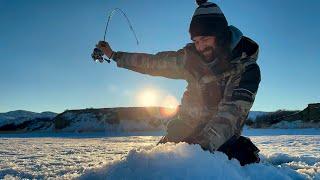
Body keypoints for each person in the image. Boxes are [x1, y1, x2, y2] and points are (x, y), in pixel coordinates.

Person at [95, 0, 261, 166]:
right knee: (152, 167)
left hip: (220, 141)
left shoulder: (245, 68)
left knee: (239, 157)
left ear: (221, 36)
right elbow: (153, 62)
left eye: (205, 39)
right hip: (184, 130)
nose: (201, 47)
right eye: (196, 41)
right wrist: (114, 55)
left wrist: (194, 154)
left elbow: (229, 117)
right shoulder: (191, 59)